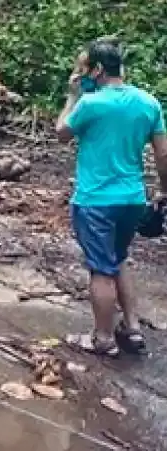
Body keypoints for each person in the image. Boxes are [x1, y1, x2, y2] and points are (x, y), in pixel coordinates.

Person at [57, 39, 167, 356]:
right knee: (118, 259)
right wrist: (164, 190)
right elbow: (163, 155)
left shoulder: (91, 104)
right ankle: (131, 328)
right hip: (132, 199)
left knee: (101, 269)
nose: (81, 73)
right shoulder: (149, 103)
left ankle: (102, 339)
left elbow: (61, 133)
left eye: (84, 68)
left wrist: (72, 96)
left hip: (95, 200)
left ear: (98, 69)